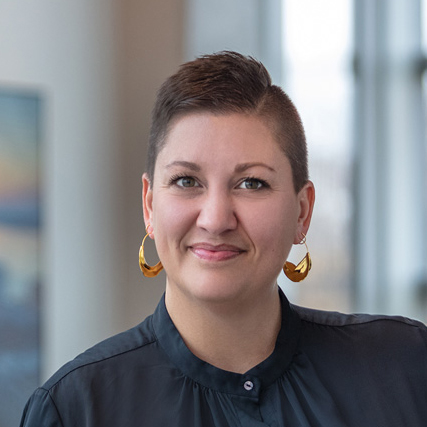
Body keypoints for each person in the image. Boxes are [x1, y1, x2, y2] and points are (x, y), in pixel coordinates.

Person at [20, 51, 427, 427]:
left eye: (251, 183)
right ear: (149, 206)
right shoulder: (74, 409)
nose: (215, 219)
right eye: (186, 181)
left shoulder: (405, 366)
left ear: (302, 211)